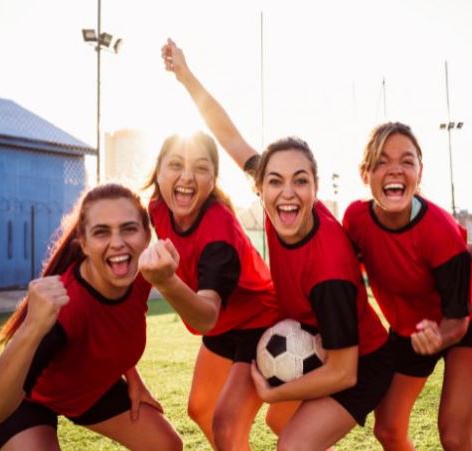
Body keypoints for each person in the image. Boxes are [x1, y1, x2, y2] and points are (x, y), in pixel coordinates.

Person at [162, 38, 394, 449]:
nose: (287, 192)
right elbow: (229, 135)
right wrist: (186, 77)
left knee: (290, 442)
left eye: (300, 181)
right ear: (261, 185)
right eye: (275, 180)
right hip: (305, 333)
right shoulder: (283, 202)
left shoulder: (330, 272)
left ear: (315, 187)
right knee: (258, 421)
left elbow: (344, 371)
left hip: (361, 361)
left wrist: (273, 392)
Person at [0, 183, 212, 450]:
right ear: (83, 242)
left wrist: (134, 380)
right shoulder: (65, 307)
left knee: (166, 446)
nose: (118, 242)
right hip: (29, 399)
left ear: (147, 235)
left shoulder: (142, 275)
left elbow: (112, 326)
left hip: (88, 391)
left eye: (129, 228)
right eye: (102, 232)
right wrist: (31, 327)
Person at [341, 121, 472, 451]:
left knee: (454, 435)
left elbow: (458, 319)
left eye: (406, 161)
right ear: (364, 172)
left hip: (467, 322)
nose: (394, 170)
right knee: (388, 430)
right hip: (409, 330)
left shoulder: (439, 230)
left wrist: (440, 336)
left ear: (419, 172)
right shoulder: (355, 219)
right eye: (381, 161)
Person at [144, 131, 283, 450]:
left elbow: (205, 315)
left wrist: (165, 281)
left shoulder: (218, 234)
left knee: (227, 422)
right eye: (176, 164)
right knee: (201, 408)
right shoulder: (156, 208)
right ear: (160, 170)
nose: (187, 176)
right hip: (228, 323)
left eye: (201, 168)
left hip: (261, 320)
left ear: (213, 179)